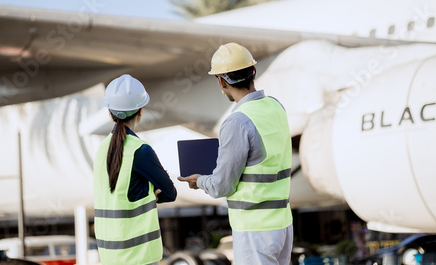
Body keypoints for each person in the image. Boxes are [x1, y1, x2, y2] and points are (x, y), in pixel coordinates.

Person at [178, 42, 293, 265]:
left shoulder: (237, 122)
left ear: (221, 81)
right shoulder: (276, 107)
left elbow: (223, 186)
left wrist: (200, 180)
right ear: (254, 71)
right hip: (282, 225)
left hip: (255, 230)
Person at [93, 74, 177, 265]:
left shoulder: (101, 150)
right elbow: (170, 193)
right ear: (141, 110)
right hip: (139, 256)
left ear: (110, 112)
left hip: (109, 256)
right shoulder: (140, 150)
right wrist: (152, 194)